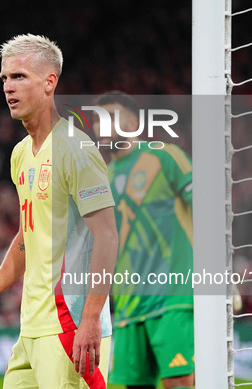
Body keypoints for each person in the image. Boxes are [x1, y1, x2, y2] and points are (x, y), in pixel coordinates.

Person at [0, 34, 118, 388]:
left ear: (50, 82)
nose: (8, 87)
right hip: (31, 328)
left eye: (19, 77)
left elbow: (107, 236)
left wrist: (91, 319)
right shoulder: (20, 154)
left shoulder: (76, 149)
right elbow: (26, 238)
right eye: (4, 78)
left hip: (70, 326)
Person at [92, 92, 195, 389]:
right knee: (134, 385)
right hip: (127, 304)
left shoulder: (164, 156)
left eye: (111, 118)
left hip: (172, 295)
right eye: (98, 121)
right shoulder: (103, 178)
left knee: (178, 381)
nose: (103, 127)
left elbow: (208, 212)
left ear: (133, 123)